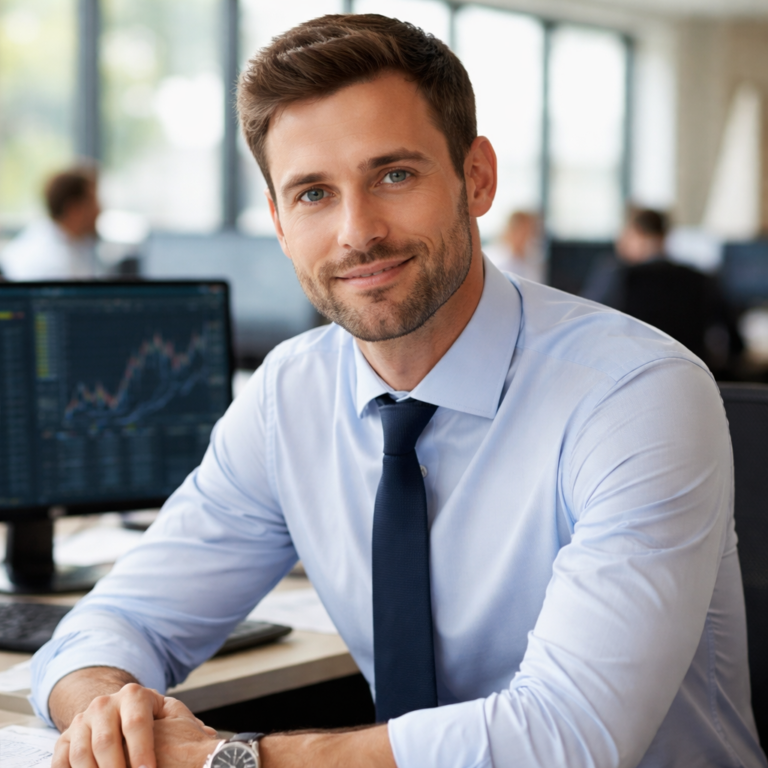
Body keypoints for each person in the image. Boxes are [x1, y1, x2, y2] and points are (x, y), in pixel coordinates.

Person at [33, 14, 766, 768]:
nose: (357, 231)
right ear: (280, 222)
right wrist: (108, 713)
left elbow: (567, 737)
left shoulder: (635, 393)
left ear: (476, 177)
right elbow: (116, 623)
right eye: (313, 193)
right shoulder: (291, 395)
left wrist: (227, 759)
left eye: (394, 175)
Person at [582, 208, 743, 377]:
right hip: (693, 381)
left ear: (637, 234)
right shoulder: (701, 279)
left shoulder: (618, 276)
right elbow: (736, 343)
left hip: (632, 382)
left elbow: (586, 329)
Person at [0, 167, 102, 280]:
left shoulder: (41, 233)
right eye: (94, 202)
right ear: (74, 209)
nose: (100, 210)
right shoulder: (57, 266)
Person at [483, 210, 544, 282]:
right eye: (524, 232)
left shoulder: (535, 262)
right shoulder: (493, 259)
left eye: (531, 232)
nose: (528, 237)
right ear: (512, 230)